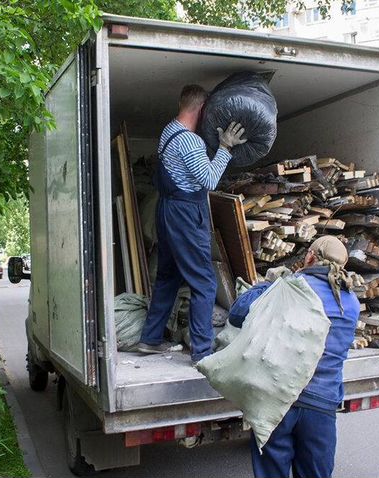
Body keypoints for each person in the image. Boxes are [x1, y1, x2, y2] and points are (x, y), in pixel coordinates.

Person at [136, 84, 247, 364]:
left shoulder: (168, 131)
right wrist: (224, 148)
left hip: (167, 211)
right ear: (201, 109)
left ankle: (150, 339)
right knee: (204, 282)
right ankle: (202, 351)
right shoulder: (190, 141)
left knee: (168, 277)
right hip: (185, 213)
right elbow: (209, 180)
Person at [250, 235, 360, 478]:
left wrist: (268, 283)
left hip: (278, 401)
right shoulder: (352, 302)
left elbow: (239, 314)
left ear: (310, 256)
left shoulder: (290, 287)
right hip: (322, 404)